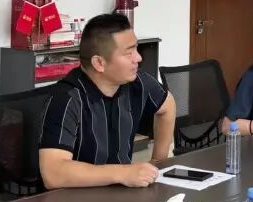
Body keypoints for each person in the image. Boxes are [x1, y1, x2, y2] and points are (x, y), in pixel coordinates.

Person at [39, 13, 175, 189]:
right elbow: (53, 173)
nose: (138, 58)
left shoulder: (138, 83)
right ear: (99, 63)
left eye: (136, 49)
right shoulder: (66, 98)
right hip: (75, 198)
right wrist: (123, 173)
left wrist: (158, 161)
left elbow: (167, 106)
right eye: (129, 52)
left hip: (121, 193)